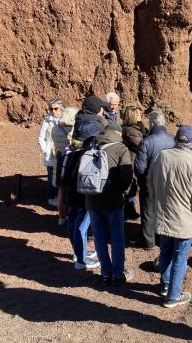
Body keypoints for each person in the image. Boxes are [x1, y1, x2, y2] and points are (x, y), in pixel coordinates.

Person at [150, 126, 192, 307]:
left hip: (163, 216)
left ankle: (165, 284)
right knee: (180, 258)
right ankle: (173, 295)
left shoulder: (161, 157)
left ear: (175, 139)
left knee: (165, 252)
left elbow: (150, 181)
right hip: (184, 221)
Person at [85, 123, 134, 286]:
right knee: (116, 236)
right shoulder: (121, 148)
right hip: (113, 200)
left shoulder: (91, 144)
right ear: (118, 133)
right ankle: (118, 273)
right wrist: (122, 192)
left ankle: (105, 273)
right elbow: (127, 176)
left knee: (99, 237)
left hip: (91, 198)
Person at [61, 120, 102, 270]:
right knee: (82, 226)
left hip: (69, 194)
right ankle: (81, 260)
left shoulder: (68, 151)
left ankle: (78, 252)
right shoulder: (84, 155)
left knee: (73, 222)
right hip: (82, 196)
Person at [134, 110, 176, 249]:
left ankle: (148, 242)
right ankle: (163, 239)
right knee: (166, 211)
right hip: (169, 183)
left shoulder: (146, 142)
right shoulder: (174, 140)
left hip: (149, 182)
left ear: (151, 123)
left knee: (148, 212)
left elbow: (140, 167)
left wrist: (143, 181)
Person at [51, 106, 78, 226]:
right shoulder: (73, 129)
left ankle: (61, 217)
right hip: (70, 160)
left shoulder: (55, 128)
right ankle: (73, 215)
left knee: (61, 190)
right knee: (72, 189)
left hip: (59, 159)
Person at [121, 106, 148, 220]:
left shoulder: (136, 128)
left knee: (133, 187)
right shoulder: (130, 131)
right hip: (131, 162)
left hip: (134, 161)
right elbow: (142, 145)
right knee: (131, 187)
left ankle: (129, 210)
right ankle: (128, 211)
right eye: (137, 114)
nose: (140, 116)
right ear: (132, 116)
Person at [38, 98, 64, 207]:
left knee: (63, 176)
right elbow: (41, 137)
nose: (53, 111)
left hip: (63, 152)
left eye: (55, 108)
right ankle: (51, 198)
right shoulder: (47, 120)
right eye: (50, 109)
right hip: (51, 154)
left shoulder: (67, 119)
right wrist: (45, 150)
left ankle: (61, 199)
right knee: (51, 176)